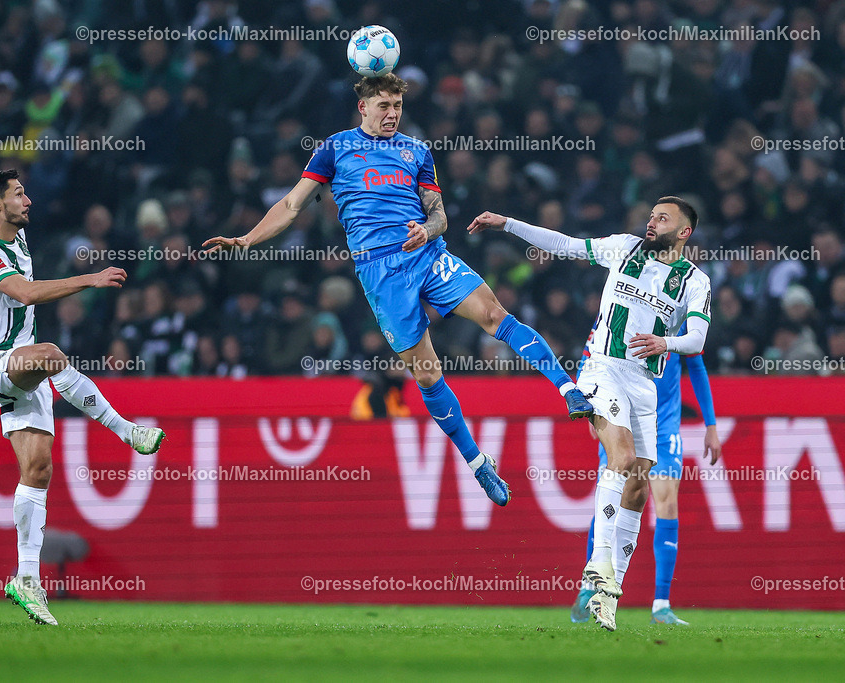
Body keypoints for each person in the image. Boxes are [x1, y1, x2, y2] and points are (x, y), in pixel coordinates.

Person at [203, 74, 593, 506]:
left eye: (397, 107)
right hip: (381, 273)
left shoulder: (417, 151)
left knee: (495, 315)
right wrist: (247, 239)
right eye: (384, 106)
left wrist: (426, 230)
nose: (392, 114)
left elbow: (440, 216)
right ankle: (478, 463)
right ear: (363, 107)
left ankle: (568, 388)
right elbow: (292, 205)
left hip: (426, 253)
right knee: (427, 374)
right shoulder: (334, 149)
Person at [469, 196, 712, 631]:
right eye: (652, 215)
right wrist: (508, 223)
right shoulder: (623, 248)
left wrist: (666, 344)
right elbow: (564, 244)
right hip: (601, 367)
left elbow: (696, 339)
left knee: (638, 487)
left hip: (644, 383)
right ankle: (598, 564)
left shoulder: (696, 282)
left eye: (663, 219)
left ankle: (609, 594)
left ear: (684, 233)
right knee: (619, 460)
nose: (651, 222)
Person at [0, 169, 165, 626]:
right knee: (53, 355)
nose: (28, 200)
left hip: (18, 367)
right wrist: (88, 279)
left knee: (38, 469)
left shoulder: (17, 239)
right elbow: (27, 293)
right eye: (18, 194)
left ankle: (26, 579)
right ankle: (126, 430)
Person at [570, 321, 722, 626]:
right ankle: (590, 586)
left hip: (664, 424)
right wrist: (588, 403)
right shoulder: (620, 308)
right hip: (621, 415)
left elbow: (697, 366)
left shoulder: (679, 316)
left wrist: (711, 425)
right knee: (616, 493)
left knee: (665, 502)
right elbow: (590, 354)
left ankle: (661, 604)